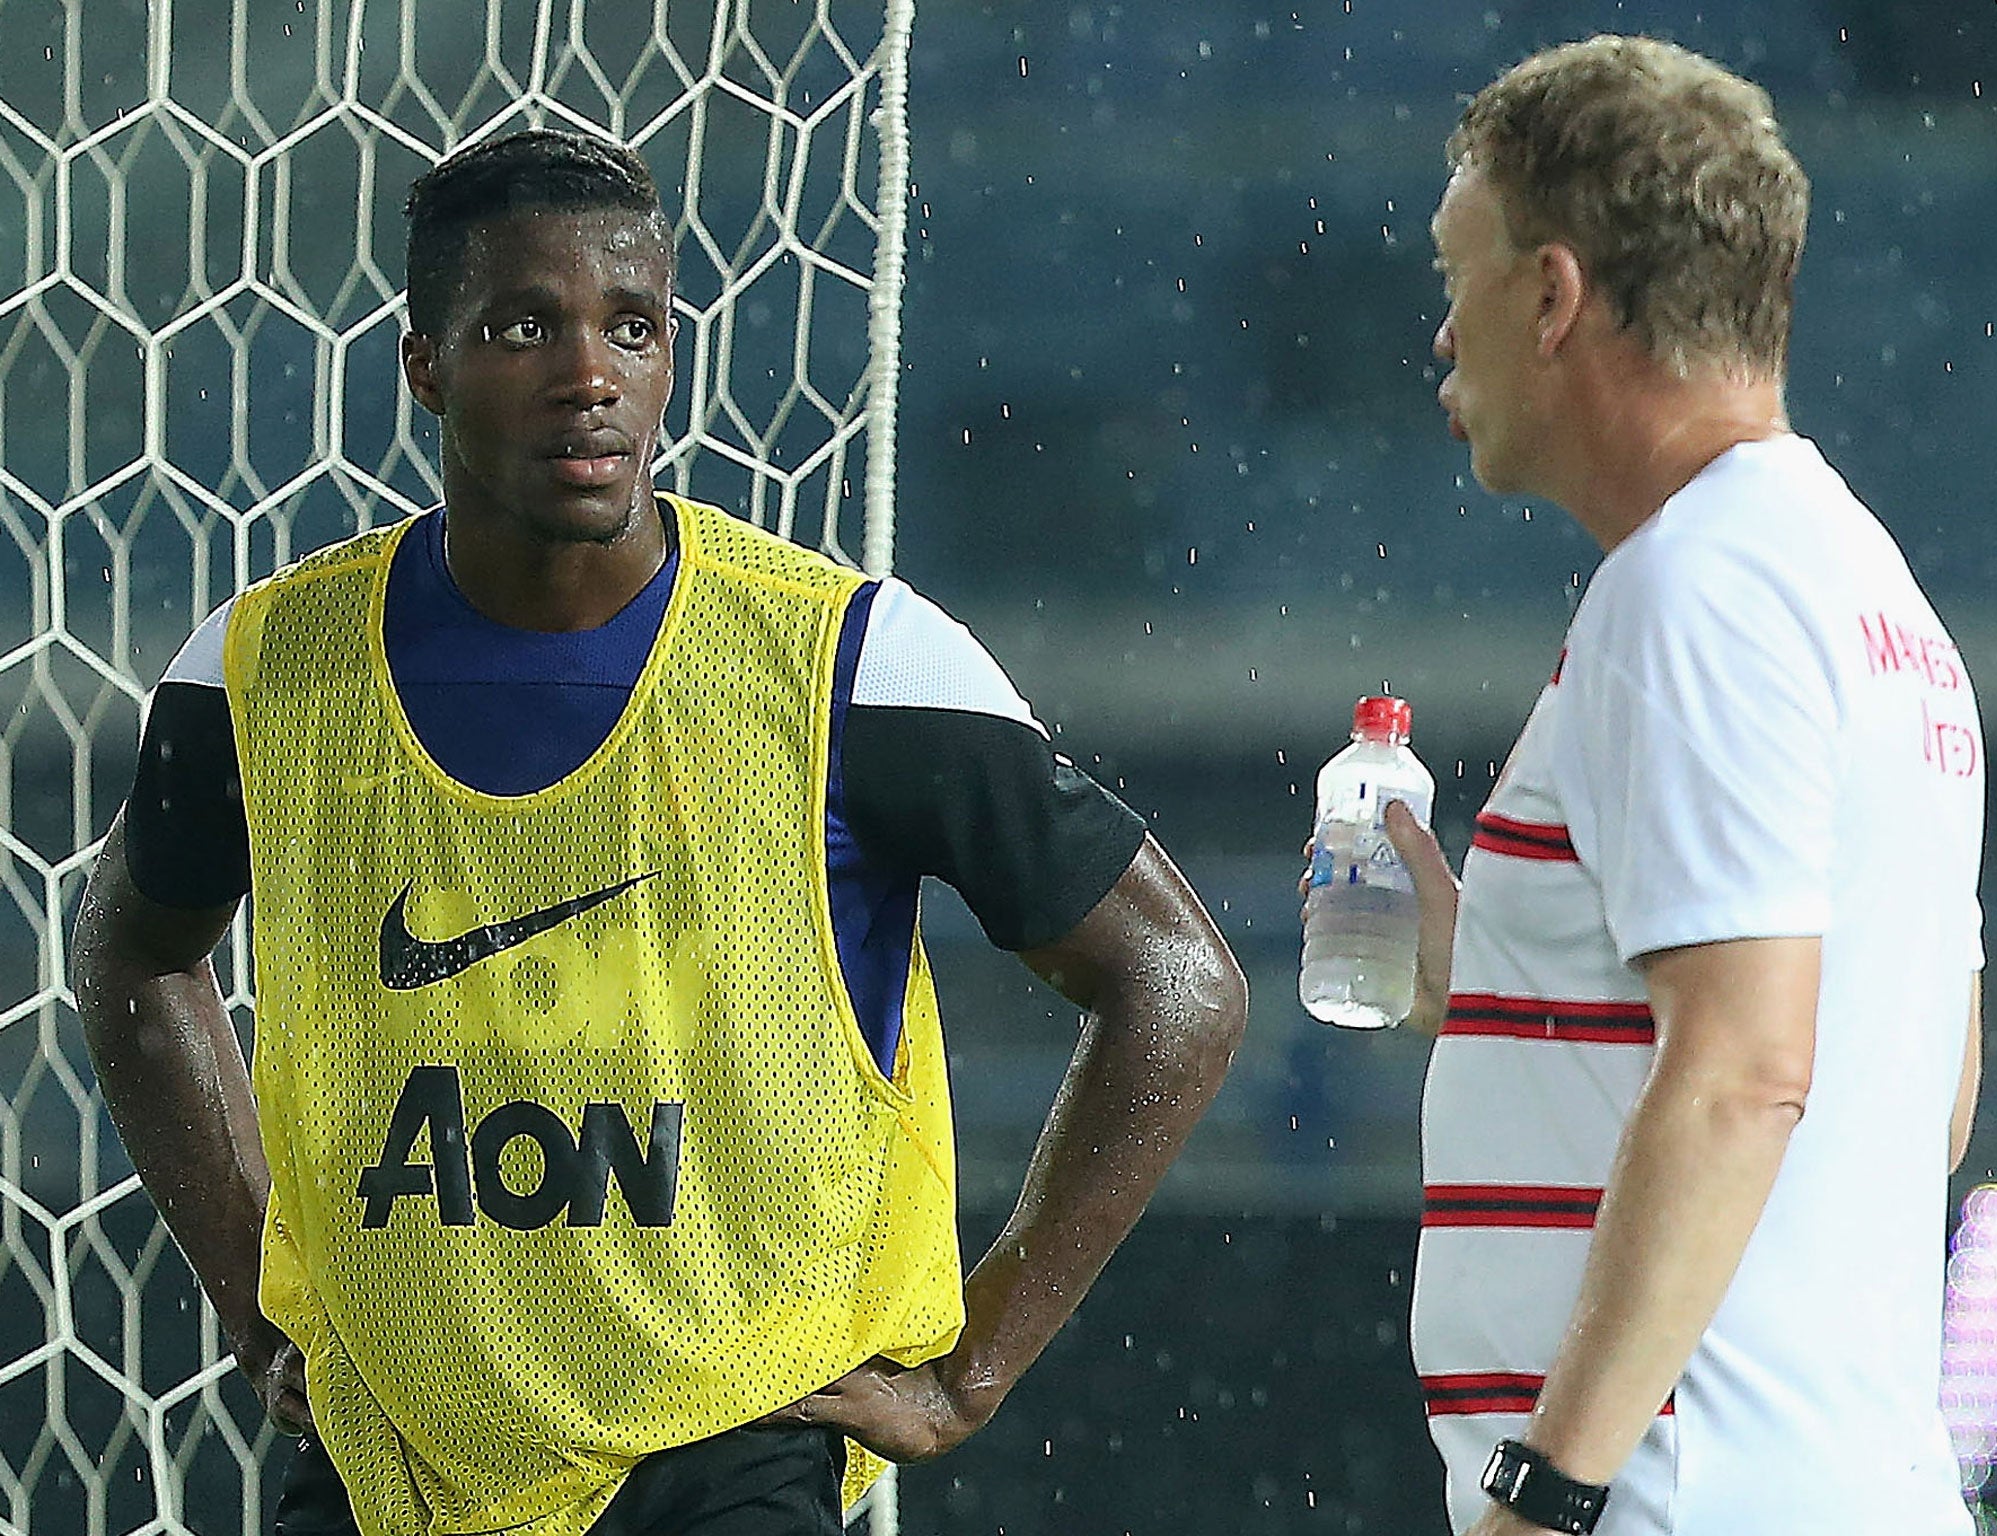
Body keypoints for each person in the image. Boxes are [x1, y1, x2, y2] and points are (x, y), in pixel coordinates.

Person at [71, 129, 1247, 1536]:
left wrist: (972, 1369)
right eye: (524, 328)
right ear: (423, 366)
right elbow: (133, 958)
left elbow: (1177, 979)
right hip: (393, 1463)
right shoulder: (259, 673)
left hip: (724, 1460)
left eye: (632, 328)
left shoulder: (856, 665)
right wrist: (256, 1305)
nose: (590, 377)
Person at [1389, 36, 1985, 1536]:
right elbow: (1924, 1090)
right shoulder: (1873, 594)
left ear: (1552, 295)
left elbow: (1743, 1074)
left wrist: (1549, 1491)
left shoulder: (1692, 589)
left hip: (1680, 1501)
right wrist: (1511, 983)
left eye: (1460, 277)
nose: (1443, 341)